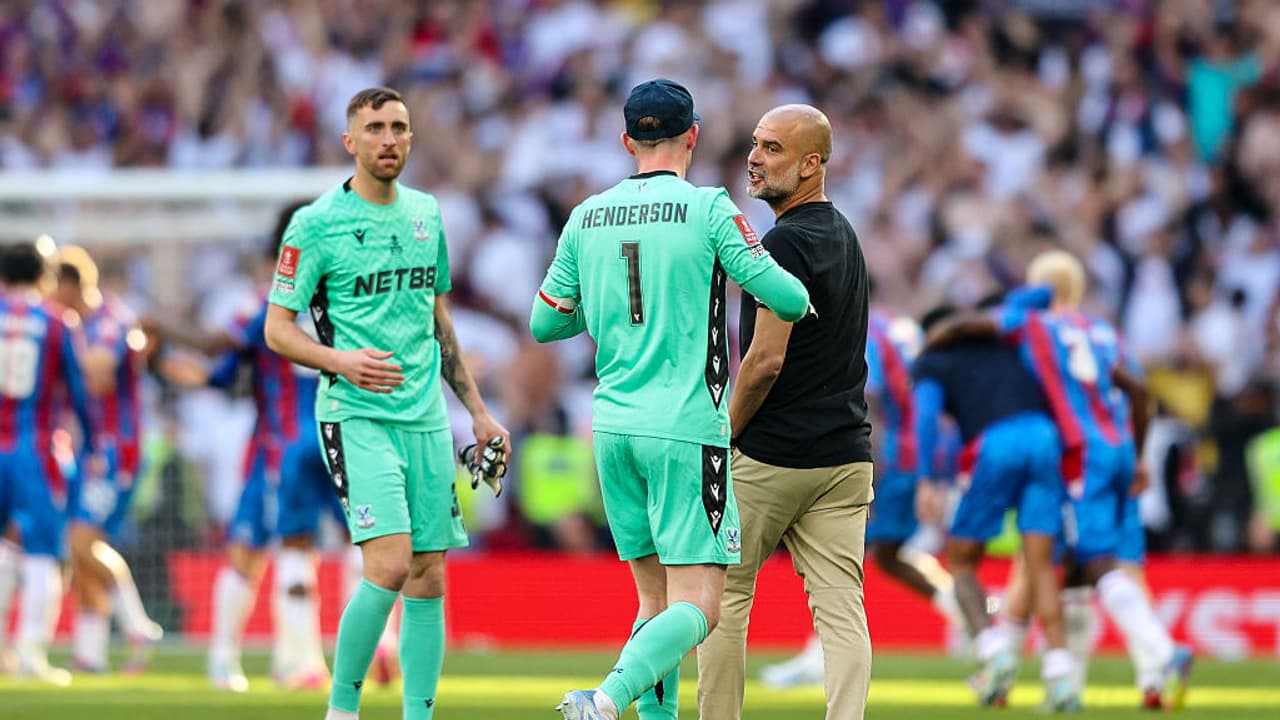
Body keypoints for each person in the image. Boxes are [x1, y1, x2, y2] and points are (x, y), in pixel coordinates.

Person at [530, 80, 810, 720]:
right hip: (685, 427)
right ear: (694, 135)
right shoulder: (709, 207)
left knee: (654, 605)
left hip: (612, 427)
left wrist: (607, 311)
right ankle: (603, 699)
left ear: (627, 140)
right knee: (701, 606)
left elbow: (545, 324)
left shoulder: (586, 215)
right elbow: (788, 299)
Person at [264, 86, 510, 720]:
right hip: (356, 414)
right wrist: (340, 360)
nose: (389, 138)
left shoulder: (427, 214)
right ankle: (341, 710)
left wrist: (478, 412)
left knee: (430, 573)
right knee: (392, 563)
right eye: (375, 128)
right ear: (351, 142)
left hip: (426, 419)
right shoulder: (316, 225)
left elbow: (439, 319)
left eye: (399, 127)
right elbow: (278, 329)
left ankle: (417, 715)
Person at [691, 104, 872, 720]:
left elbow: (764, 361)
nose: (754, 157)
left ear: (811, 163)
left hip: (773, 456)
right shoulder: (843, 232)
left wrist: (722, 434)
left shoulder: (783, 241)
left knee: (721, 595)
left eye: (771, 148)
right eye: (755, 144)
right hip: (846, 458)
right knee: (842, 608)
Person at [995, 252, 1192, 710]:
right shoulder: (1104, 332)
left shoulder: (1038, 332)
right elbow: (1139, 394)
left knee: (1043, 557)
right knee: (1121, 561)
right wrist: (1138, 457)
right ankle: (1150, 678)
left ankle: (1157, 655)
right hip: (1120, 448)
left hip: (1076, 456)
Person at [759, 306, 963, 690]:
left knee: (837, 552)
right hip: (917, 453)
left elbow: (868, 403)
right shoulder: (895, 326)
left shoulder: (858, 330)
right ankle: (969, 613)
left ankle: (818, 657)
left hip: (890, 458)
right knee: (886, 556)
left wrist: (862, 470)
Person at [917, 298, 1078, 711]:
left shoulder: (932, 360)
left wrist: (926, 480)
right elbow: (1041, 292)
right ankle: (1061, 678)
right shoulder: (1003, 337)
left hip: (997, 444)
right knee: (1040, 562)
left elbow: (927, 418)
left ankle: (994, 651)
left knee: (962, 560)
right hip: (1044, 437)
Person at [51, 247, 164, 674]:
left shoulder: (110, 320)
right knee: (80, 549)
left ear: (68, 285)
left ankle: (137, 627)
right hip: (90, 448)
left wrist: (56, 354)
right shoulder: (75, 326)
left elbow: (99, 373)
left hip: (118, 448)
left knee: (83, 541)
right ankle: (90, 653)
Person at [0, 242, 97, 686]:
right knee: (42, 554)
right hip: (37, 452)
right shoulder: (58, 323)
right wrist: (94, 446)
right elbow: (80, 395)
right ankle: (31, 654)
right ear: (46, 278)